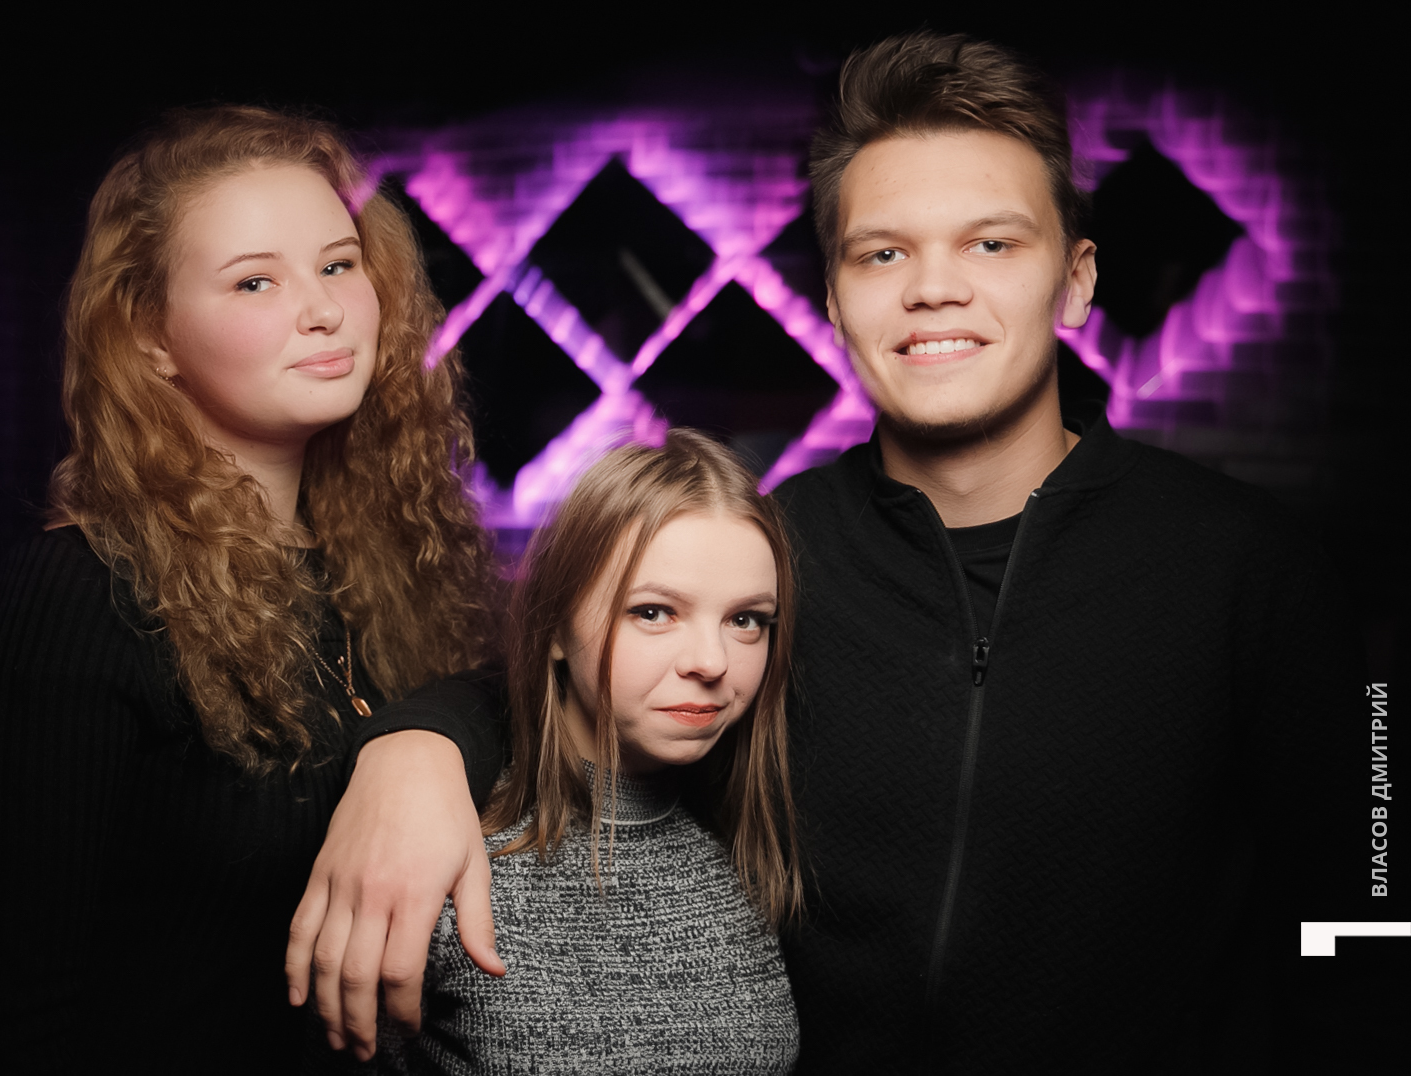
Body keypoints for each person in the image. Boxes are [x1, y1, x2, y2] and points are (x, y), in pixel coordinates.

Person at [288, 32, 1353, 1073]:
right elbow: (567, 664)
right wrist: (413, 748)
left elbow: (1366, 889)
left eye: (991, 244)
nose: (934, 289)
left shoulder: (1249, 567)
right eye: (884, 253)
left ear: (1075, 281)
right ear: (838, 302)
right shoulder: (768, 554)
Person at [0, 105, 500, 1073]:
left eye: (338, 264)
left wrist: (419, 746)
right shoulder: (83, 588)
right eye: (254, 281)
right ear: (151, 338)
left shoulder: (378, 555)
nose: (324, 310)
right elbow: (12, 1013)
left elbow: (516, 694)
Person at [367, 430, 802, 1074]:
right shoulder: (439, 857)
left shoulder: (753, 851)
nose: (712, 662)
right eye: (653, 612)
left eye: (746, 620)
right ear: (555, 628)